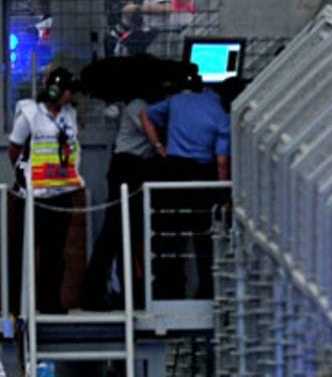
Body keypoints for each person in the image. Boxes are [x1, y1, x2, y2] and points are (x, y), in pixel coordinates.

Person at [81, 73, 179, 310]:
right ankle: (96, 291)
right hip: (126, 168)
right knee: (114, 230)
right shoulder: (139, 106)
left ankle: (127, 290)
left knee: (128, 231)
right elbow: (152, 129)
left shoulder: (144, 106)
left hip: (135, 169)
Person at [140, 68, 230, 299]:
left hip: (174, 170)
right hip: (204, 174)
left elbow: (146, 115)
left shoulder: (175, 101)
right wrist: (223, 193)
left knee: (171, 234)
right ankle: (208, 291)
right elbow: (221, 161)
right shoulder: (219, 112)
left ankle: (169, 290)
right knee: (205, 237)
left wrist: (159, 146)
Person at [6, 67, 85, 314]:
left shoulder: (69, 116)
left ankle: (49, 301)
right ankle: (16, 304)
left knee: (55, 252)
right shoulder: (30, 115)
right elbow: (15, 148)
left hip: (60, 194)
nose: (71, 97)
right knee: (22, 250)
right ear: (56, 90)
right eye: (68, 92)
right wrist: (26, 175)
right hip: (31, 195)